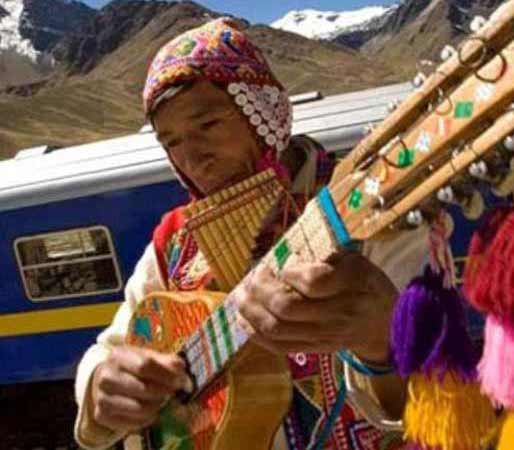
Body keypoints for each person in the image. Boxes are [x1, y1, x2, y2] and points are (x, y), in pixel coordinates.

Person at [73, 17, 428, 450]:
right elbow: (107, 350)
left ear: (263, 113)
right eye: (172, 142)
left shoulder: (367, 209)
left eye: (207, 126)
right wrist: (102, 386)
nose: (193, 159)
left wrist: (384, 339)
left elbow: (442, 391)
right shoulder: (173, 244)